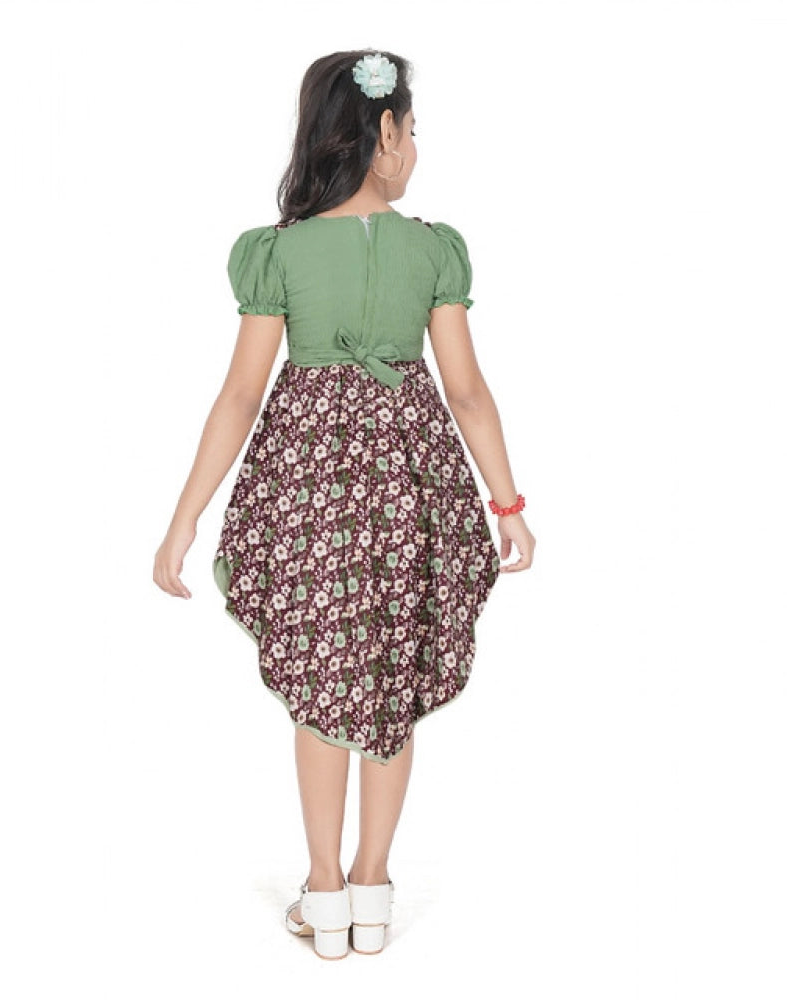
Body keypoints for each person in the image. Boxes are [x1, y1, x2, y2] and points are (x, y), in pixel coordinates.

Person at [153, 49, 535, 959]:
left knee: (323, 682)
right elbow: (468, 391)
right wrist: (507, 502)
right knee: (390, 678)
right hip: (410, 488)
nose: (416, 145)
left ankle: (323, 894)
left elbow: (240, 397)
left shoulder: (279, 251)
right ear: (386, 132)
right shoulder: (432, 248)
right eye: (414, 128)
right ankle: (372, 889)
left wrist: (186, 517)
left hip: (308, 489)